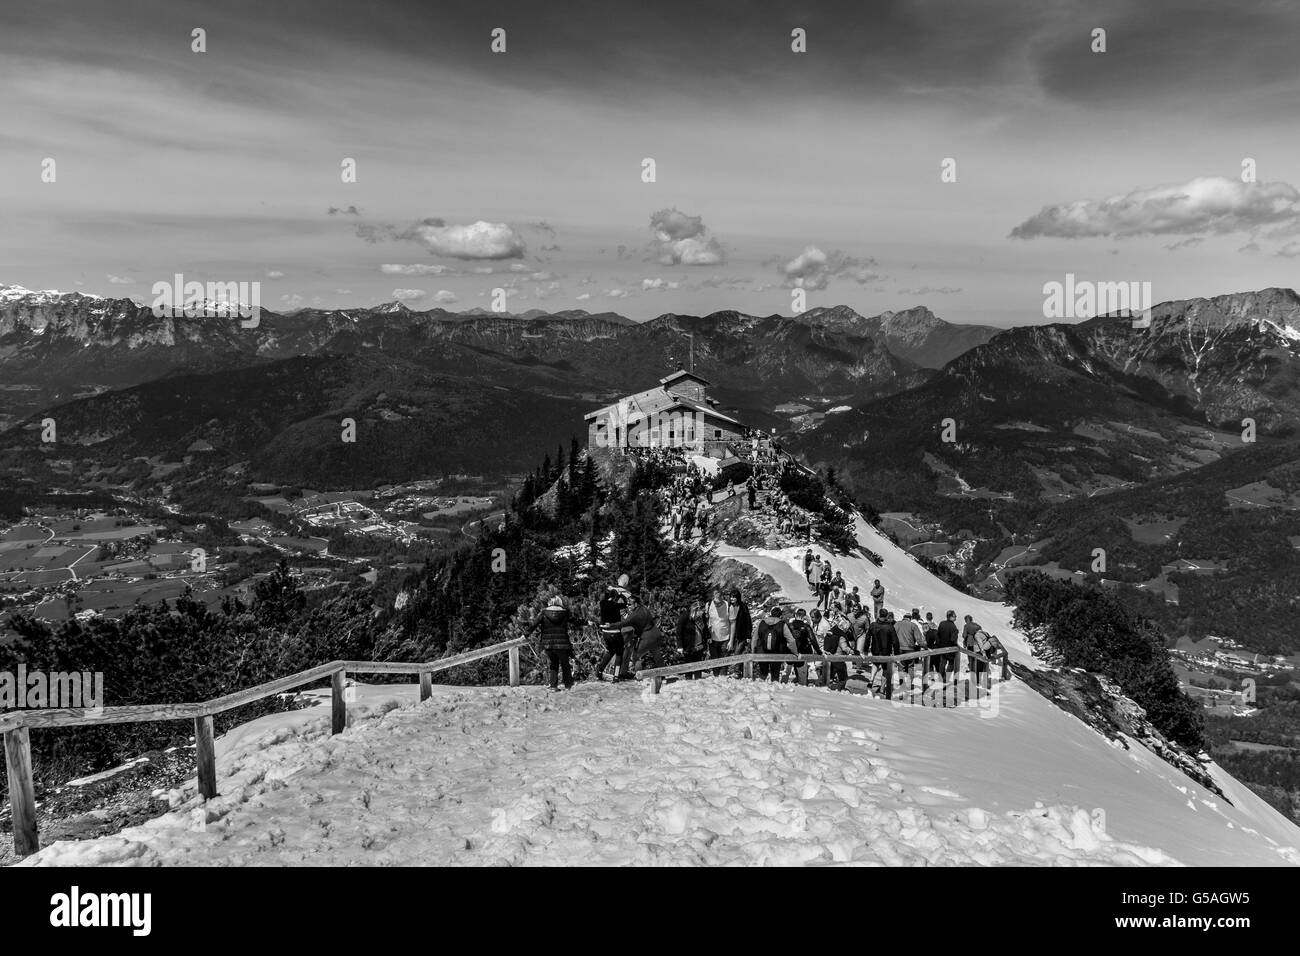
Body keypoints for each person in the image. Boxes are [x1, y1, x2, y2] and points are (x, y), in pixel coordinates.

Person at [527, 594, 585, 691]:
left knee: (553, 664)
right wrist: (587, 622)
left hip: (548, 643)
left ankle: (553, 686)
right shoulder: (565, 612)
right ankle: (568, 686)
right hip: (562, 644)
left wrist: (525, 634)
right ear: (559, 602)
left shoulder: (543, 613)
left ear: (550, 603)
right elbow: (576, 621)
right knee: (565, 665)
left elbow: (534, 624)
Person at [616, 589, 660, 677]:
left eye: (629, 604)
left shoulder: (635, 611)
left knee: (630, 654)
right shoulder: (628, 611)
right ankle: (622, 672)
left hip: (631, 633)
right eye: (627, 604)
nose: (627, 605)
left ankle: (625, 672)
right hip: (627, 633)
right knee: (627, 653)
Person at [595, 583, 630, 681]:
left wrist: (612, 592)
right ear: (615, 597)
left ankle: (599, 670)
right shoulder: (617, 605)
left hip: (605, 632)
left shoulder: (602, 603)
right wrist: (620, 594)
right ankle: (616, 676)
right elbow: (625, 603)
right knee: (619, 653)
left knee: (610, 651)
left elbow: (605, 598)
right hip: (615, 632)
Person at [755, 603, 798, 681]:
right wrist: (795, 652)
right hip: (777, 653)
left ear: (771, 614)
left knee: (763, 673)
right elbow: (791, 641)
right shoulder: (782, 625)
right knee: (775, 674)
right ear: (780, 616)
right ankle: (775, 690)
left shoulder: (761, 623)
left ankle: (760, 689)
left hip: (762, 652)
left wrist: (753, 651)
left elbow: (755, 638)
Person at [868, 608, 901, 699]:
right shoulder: (890, 627)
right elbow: (895, 641)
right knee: (885, 670)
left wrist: (865, 650)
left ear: (879, 614)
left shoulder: (873, 625)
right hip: (886, 652)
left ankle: (871, 680)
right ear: (886, 616)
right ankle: (882, 689)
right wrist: (897, 654)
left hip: (875, 650)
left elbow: (867, 637)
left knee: (875, 664)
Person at [676, 599, 708, 678]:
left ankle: (698, 680)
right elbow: (678, 632)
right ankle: (688, 679)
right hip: (688, 645)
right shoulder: (685, 616)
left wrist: (708, 637)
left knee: (698, 666)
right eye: (701, 611)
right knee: (688, 666)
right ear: (696, 609)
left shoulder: (701, 617)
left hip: (699, 645)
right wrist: (680, 646)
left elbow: (705, 628)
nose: (702, 613)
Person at [895, 609, 925, 689]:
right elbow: (919, 640)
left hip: (900, 648)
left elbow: (893, 635)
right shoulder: (913, 625)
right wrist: (925, 646)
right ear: (910, 618)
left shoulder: (897, 624)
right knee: (911, 666)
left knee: (901, 666)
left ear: (904, 617)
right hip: (910, 649)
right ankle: (911, 684)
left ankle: (901, 683)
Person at [726, 588, 752, 675]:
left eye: (734, 597)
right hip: (730, 633)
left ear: (738, 597)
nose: (732, 599)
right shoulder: (729, 607)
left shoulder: (743, 607)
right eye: (731, 597)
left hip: (742, 634)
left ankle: (737, 672)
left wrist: (748, 636)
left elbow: (748, 621)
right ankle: (730, 670)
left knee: (737, 652)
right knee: (730, 652)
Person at [787, 608, 816, 684]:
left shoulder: (790, 623)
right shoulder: (806, 625)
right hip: (803, 649)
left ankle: (798, 680)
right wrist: (817, 650)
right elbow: (812, 638)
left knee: (793, 669)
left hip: (791, 650)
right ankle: (802, 682)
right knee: (802, 668)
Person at [934, 610, 961, 686]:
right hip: (950, 648)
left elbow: (938, 634)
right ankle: (946, 678)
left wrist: (939, 644)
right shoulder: (953, 627)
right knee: (951, 663)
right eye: (955, 616)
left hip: (942, 647)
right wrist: (955, 645)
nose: (956, 617)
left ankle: (941, 678)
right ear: (951, 617)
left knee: (942, 662)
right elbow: (953, 639)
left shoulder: (942, 623)